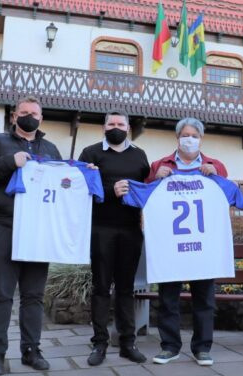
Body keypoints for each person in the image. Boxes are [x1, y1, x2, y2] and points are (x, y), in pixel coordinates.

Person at [0, 96, 61, 375]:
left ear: (41, 118)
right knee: (1, 294)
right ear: (14, 116)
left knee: (34, 296)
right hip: (5, 227)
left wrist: (84, 175)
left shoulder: (50, 148)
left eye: (34, 113)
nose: (29, 117)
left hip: (38, 231)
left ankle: (31, 350)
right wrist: (10, 161)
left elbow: (61, 183)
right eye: (24, 112)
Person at [147, 117, 227, 367]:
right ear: (177, 137)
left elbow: (228, 199)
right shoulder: (159, 164)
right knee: (168, 298)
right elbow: (147, 200)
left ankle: (202, 348)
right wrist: (155, 179)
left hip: (204, 245)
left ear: (201, 139)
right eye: (185, 134)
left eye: (194, 135)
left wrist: (216, 177)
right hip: (170, 245)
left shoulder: (216, 165)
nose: (189, 139)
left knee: (204, 299)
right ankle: (169, 347)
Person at [78, 109, 150, 366]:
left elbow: (146, 190)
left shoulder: (140, 155)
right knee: (100, 287)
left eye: (121, 123)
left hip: (131, 230)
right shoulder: (90, 153)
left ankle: (127, 343)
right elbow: (81, 189)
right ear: (104, 127)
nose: (116, 127)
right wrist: (111, 191)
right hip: (101, 229)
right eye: (112, 123)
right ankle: (99, 343)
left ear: (128, 128)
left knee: (126, 289)